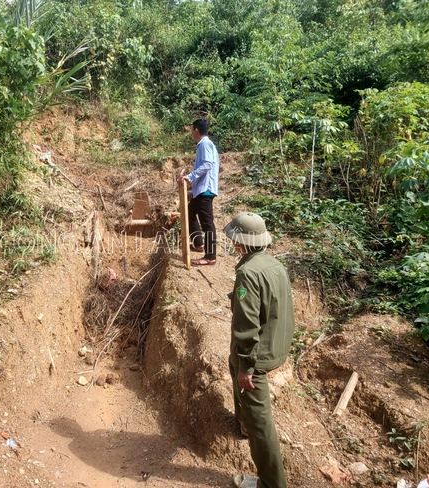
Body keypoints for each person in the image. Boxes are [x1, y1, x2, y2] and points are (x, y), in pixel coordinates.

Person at [223, 212, 295, 488]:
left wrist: (247, 367)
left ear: (241, 243)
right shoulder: (275, 265)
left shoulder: (247, 274)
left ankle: (272, 483)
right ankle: (243, 423)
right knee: (234, 365)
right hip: (274, 345)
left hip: (258, 357)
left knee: (262, 424)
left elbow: (247, 326)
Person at [177, 118, 220, 266]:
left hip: (206, 190)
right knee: (189, 213)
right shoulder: (204, 145)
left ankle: (210, 256)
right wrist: (193, 191)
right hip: (201, 190)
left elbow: (208, 165)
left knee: (207, 223)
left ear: (196, 130)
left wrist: (189, 177)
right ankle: (198, 244)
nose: (191, 133)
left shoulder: (205, 144)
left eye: (191, 130)